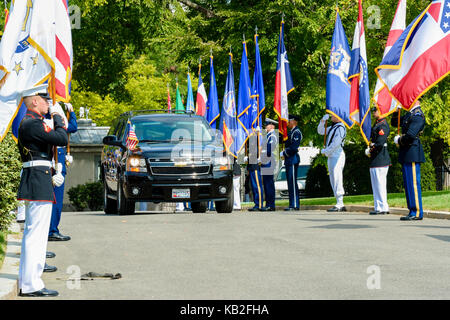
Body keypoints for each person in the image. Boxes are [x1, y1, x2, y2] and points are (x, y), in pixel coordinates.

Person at [16, 85, 68, 297]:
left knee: (35, 233)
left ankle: (29, 281)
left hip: (39, 178)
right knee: (35, 234)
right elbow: (61, 138)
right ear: (35, 101)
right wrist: (57, 117)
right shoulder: (32, 124)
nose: (49, 103)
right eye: (45, 100)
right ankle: (31, 284)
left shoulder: (31, 123)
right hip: (37, 180)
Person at [391, 100, 426, 221]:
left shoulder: (417, 115)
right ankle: (412, 210)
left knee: (413, 184)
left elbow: (410, 135)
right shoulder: (409, 114)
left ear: (416, 99)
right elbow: (395, 123)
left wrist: (399, 140)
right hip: (406, 152)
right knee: (408, 184)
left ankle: (416, 212)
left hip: (412, 152)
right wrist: (396, 112)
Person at [48, 102, 77, 241]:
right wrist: (71, 113)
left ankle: (50, 229)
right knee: (56, 199)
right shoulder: (52, 121)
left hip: (57, 155)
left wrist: (70, 113)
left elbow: (71, 128)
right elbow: (72, 127)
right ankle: (52, 230)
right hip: (55, 158)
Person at [317, 113, 347, 212]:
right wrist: (322, 121)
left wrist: (326, 151)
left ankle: (340, 203)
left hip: (337, 155)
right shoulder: (333, 127)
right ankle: (338, 202)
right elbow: (321, 131)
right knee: (333, 178)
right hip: (332, 155)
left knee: (337, 177)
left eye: (333, 115)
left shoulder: (341, 127)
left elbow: (336, 143)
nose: (331, 116)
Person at [366, 107, 391, 215]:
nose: (374, 112)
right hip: (375, 159)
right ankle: (378, 206)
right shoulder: (377, 124)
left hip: (381, 158)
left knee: (380, 184)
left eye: (375, 110)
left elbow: (380, 143)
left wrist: (371, 149)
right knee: (375, 185)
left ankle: (383, 207)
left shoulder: (383, 125)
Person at [280, 115, 303, 211]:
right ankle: (292, 204)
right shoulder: (290, 132)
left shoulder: (296, 132)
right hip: (289, 160)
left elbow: (294, 147)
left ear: (294, 121)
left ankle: (294, 204)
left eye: (288, 121)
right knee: (290, 183)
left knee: (292, 183)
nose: (287, 123)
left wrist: (284, 152)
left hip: (293, 159)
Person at [261, 119, 278, 211]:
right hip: (266, 161)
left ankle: (271, 205)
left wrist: (261, 156)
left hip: (269, 161)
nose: (265, 127)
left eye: (267, 125)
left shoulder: (272, 136)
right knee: (267, 183)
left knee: (269, 184)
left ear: (272, 126)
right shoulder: (267, 136)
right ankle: (268, 204)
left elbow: (269, 150)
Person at [246, 133, 264, 212]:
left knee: (257, 187)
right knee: (253, 187)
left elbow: (255, 155)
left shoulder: (256, 148)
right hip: (251, 168)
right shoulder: (252, 148)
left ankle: (259, 204)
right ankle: (256, 204)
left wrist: (248, 158)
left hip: (255, 168)